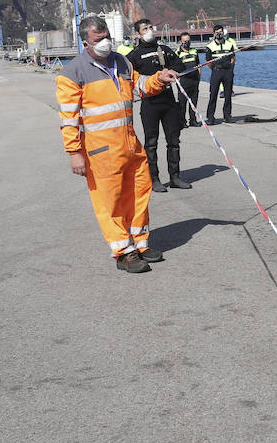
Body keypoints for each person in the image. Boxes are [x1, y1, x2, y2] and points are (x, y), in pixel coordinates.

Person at [57, 15, 179, 273]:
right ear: (85, 42)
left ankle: (140, 243)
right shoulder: (72, 73)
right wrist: (74, 153)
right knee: (109, 202)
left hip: (130, 145)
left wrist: (160, 78)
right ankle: (123, 252)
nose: (105, 43)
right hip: (101, 152)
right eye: (98, 40)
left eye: (107, 38)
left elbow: (141, 86)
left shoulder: (122, 62)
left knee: (139, 192)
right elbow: (69, 119)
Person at [126, 18, 193, 193]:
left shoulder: (163, 49)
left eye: (150, 27)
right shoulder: (134, 55)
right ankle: (154, 179)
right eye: (144, 29)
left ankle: (175, 177)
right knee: (151, 143)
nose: (149, 30)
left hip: (168, 100)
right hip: (150, 103)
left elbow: (179, 63)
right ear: (137, 34)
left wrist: (172, 71)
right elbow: (127, 76)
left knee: (173, 141)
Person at [205, 24, 238, 124]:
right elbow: (208, 61)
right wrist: (215, 68)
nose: (219, 34)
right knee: (213, 95)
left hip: (227, 71)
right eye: (217, 33)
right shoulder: (210, 46)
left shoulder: (229, 44)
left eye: (221, 32)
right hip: (216, 71)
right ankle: (210, 118)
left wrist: (230, 67)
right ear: (214, 34)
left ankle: (227, 116)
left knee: (228, 95)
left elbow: (233, 58)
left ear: (224, 33)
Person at [175, 31, 203, 127]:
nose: (187, 43)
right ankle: (182, 121)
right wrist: (177, 79)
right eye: (185, 41)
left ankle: (193, 120)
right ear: (181, 42)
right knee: (182, 103)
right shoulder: (177, 53)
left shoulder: (194, 51)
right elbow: (174, 68)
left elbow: (198, 65)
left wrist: (199, 76)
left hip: (194, 80)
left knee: (194, 102)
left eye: (188, 41)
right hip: (183, 81)